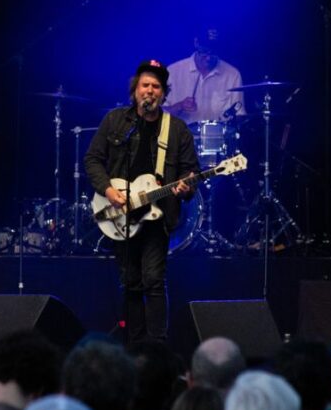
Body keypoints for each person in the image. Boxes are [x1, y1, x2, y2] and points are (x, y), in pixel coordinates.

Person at [84, 60, 198, 343]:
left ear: (164, 93)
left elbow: (190, 171)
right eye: (145, 85)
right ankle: (134, 346)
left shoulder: (176, 129)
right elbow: (92, 159)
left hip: (157, 216)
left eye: (157, 86)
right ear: (135, 90)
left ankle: (157, 347)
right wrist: (109, 191)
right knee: (130, 283)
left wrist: (186, 187)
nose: (150, 91)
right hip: (121, 213)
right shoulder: (116, 121)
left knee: (154, 281)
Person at [163, 28, 246, 125]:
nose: (209, 57)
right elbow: (156, 114)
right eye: (205, 51)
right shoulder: (172, 72)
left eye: (213, 52)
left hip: (219, 139)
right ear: (196, 43)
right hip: (180, 138)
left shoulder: (233, 75)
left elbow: (240, 117)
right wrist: (180, 106)